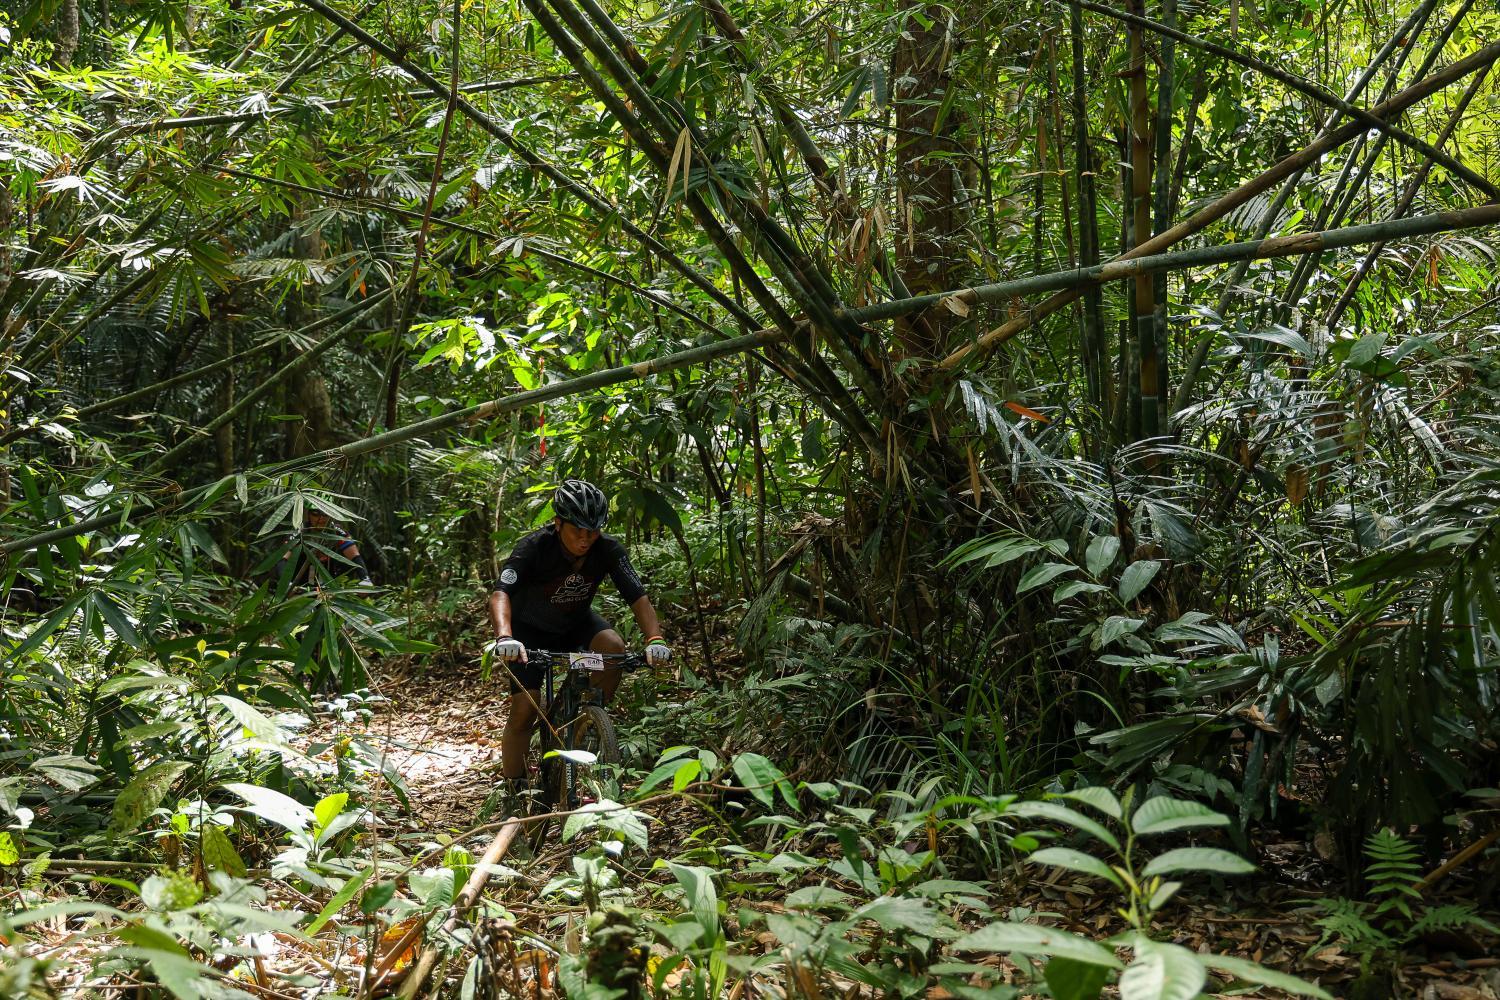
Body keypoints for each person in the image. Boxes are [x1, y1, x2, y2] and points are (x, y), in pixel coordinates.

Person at [487, 479, 671, 794]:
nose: (586, 539)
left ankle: (586, 719)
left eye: (593, 531)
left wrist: (655, 639)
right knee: (525, 708)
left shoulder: (608, 550)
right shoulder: (534, 547)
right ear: (558, 523)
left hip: (575, 623)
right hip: (528, 631)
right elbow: (500, 593)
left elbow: (638, 597)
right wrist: (505, 637)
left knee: (613, 647)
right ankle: (514, 791)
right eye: (578, 531)